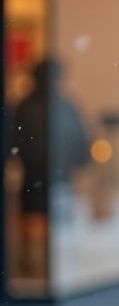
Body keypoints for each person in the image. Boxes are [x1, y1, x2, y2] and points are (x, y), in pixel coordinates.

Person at [7, 58, 92, 283]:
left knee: (50, 233)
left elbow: (80, 145)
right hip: (48, 181)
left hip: (46, 181)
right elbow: (81, 147)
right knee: (44, 233)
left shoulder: (31, 107)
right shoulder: (63, 107)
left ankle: (39, 267)